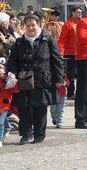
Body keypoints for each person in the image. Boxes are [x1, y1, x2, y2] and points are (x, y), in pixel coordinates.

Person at [7, 14, 64, 144]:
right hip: (24, 79)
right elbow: (13, 61)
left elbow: (57, 61)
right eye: (28, 25)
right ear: (24, 27)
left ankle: (39, 134)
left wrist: (59, 79)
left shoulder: (48, 39)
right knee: (24, 107)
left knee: (40, 107)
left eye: (33, 25)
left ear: (39, 25)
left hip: (42, 79)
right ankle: (26, 134)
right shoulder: (19, 42)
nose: (30, 28)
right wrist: (12, 73)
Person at [58, 6, 82, 100]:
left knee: (81, 74)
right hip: (70, 53)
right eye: (78, 12)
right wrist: (61, 51)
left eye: (80, 12)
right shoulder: (68, 24)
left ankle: (80, 92)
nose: (79, 14)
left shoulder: (82, 23)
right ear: (72, 13)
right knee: (70, 74)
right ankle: (71, 93)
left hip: (81, 53)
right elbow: (62, 40)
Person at [0, 58, 18, 148]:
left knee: (0, 123)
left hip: (4, 105)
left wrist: (10, 80)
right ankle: (7, 127)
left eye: (1, 68)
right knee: (1, 122)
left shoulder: (7, 79)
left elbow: (15, 90)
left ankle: (0, 140)